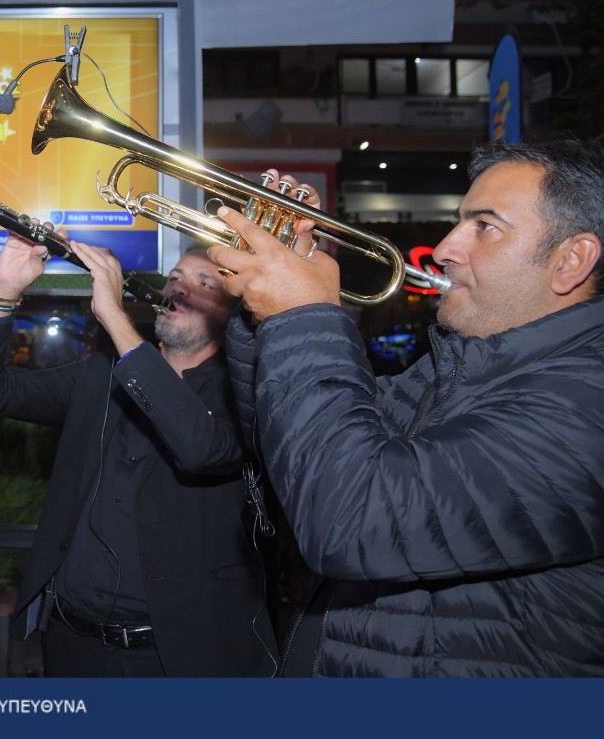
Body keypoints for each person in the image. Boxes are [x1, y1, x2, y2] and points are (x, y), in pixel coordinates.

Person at [209, 138, 604, 676]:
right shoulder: (450, 371)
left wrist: (302, 315)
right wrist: (267, 319)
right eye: (459, 221)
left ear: (571, 260)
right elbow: (296, 460)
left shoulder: (587, 405)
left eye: (484, 226)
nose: (444, 248)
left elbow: (346, 519)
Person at [0, 230, 277, 677]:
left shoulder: (246, 396)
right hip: (72, 644)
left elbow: (202, 449)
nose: (180, 288)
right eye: (177, 277)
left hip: (176, 660)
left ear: (233, 313)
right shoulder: (98, 377)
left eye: (207, 283)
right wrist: (3, 293)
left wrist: (114, 316)